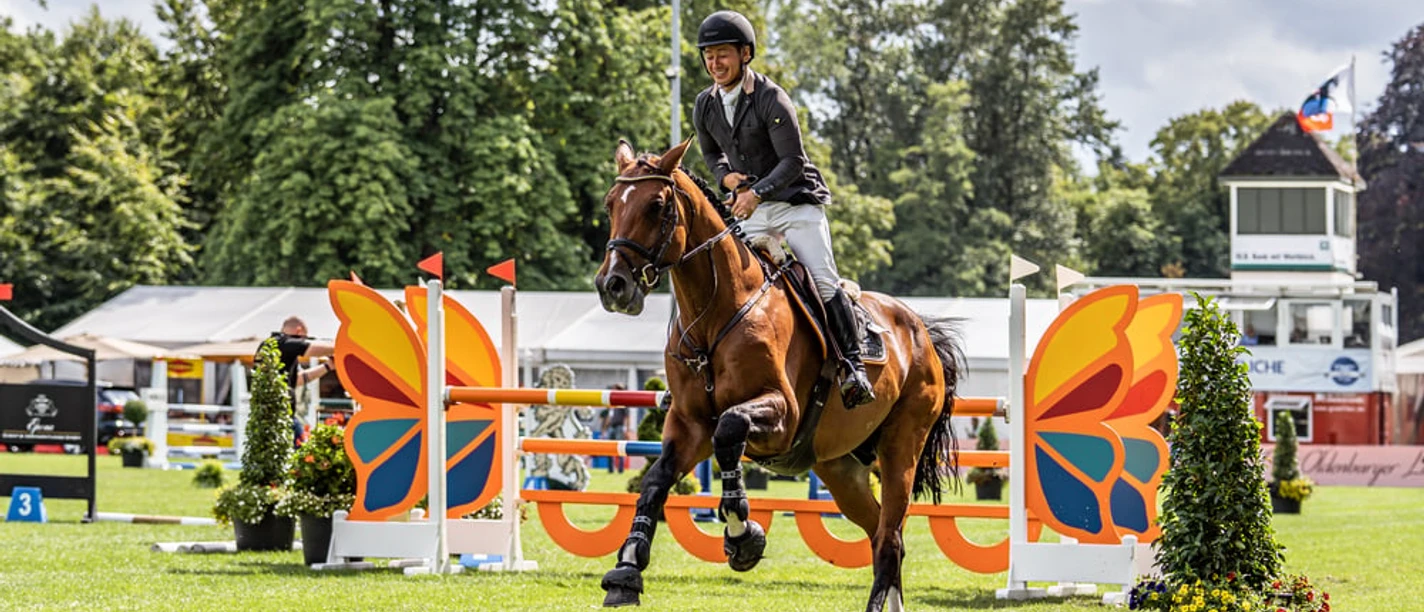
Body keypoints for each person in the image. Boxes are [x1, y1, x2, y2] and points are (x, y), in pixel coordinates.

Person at [692, 9, 873, 408]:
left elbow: (792, 161)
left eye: (722, 54)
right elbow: (710, 153)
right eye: (708, 55)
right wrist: (726, 179)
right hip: (750, 207)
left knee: (823, 280)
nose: (714, 63)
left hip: (794, 203)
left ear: (745, 54)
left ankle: (853, 366)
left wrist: (755, 192)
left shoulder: (771, 98)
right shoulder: (705, 104)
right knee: (724, 278)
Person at [264, 316, 336, 444]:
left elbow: (297, 380)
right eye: (304, 337)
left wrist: (327, 366)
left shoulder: (275, 348)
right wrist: (343, 346)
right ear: (299, 331)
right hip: (279, 417)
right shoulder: (283, 343)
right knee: (300, 453)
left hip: (280, 415)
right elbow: (311, 349)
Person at [600, 384, 629, 474]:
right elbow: (609, 416)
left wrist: (626, 429)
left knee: (620, 449)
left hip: (619, 427)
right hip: (611, 427)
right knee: (609, 449)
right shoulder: (611, 402)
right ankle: (610, 469)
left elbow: (627, 417)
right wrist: (604, 428)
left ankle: (620, 469)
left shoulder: (623, 402)